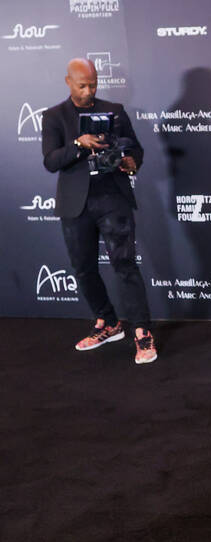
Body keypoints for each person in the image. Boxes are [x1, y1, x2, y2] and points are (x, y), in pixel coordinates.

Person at [42, 58, 156, 363]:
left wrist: (132, 162)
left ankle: (142, 333)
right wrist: (79, 144)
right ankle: (108, 322)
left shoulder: (115, 111)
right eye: (82, 85)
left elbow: (136, 149)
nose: (89, 90)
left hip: (112, 199)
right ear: (68, 81)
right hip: (75, 204)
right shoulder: (54, 116)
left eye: (93, 84)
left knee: (125, 265)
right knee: (84, 268)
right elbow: (51, 161)